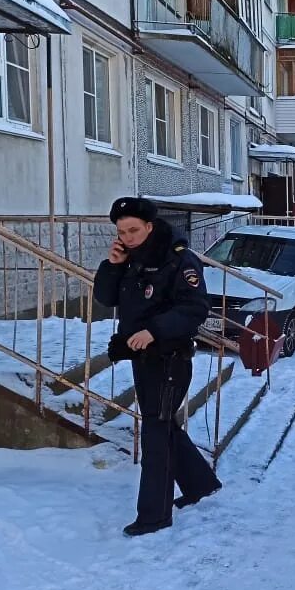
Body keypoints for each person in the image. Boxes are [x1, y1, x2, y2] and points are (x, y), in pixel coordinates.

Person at [93, 196, 222, 537]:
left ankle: (154, 515)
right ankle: (200, 484)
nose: (128, 237)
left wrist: (153, 331)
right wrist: (113, 265)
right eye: (122, 232)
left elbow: (195, 308)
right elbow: (107, 299)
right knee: (161, 424)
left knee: (155, 431)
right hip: (144, 360)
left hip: (171, 358)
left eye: (134, 230)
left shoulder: (179, 260)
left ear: (150, 226)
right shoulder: (132, 259)